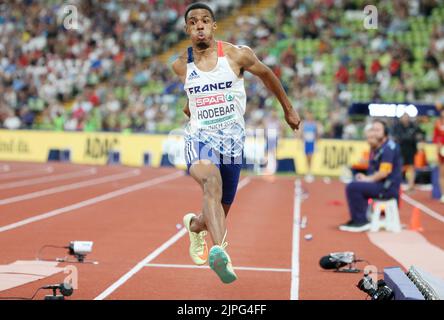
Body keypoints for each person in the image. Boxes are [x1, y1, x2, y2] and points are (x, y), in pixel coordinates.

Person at [171, 2, 301, 283]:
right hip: (199, 139)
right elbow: (193, 96)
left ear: (214, 26)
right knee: (211, 184)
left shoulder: (237, 55)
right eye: (193, 22)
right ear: (187, 29)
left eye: (205, 21)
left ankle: (195, 227)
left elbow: (267, 75)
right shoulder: (181, 65)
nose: (199, 26)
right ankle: (220, 252)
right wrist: (191, 108)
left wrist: (288, 109)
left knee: (218, 208)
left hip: (232, 145)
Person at [339, 120, 403, 232]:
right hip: (382, 185)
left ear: (385, 133)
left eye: (377, 130)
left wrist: (367, 179)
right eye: (373, 130)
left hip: (388, 188)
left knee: (353, 187)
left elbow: (384, 173)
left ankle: (361, 221)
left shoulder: (388, 148)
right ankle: (358, 219)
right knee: (356, 183)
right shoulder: (378, 148)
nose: (374, 133)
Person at [393, 113, 424, 192]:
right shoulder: (397, 126)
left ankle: (411, 185)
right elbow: (396, 137)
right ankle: (397, 184)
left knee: (411, 168)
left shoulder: (413, 126)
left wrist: (418, 137)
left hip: (411, 150)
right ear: (401, 118)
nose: (405, 119)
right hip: (401, 150)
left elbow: (421, 134)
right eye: (404, 117)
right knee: (400, 167)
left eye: (407, 117)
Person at [302, 110, 319, 183]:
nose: (309, 117)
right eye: (308, 115)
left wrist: (317, 140)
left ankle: (310, 172)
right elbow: (302, 133)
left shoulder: (314, 124)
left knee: (310, 157)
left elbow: (316, 133)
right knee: (307, 158)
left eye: (310, 115)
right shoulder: (304, 124)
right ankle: (308, 172)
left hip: (312, 142)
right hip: (306, 142)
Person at [432, 108, 444, 203]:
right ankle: (443, 194)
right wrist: (438, 144)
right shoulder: (437, 124)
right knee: (442, 174)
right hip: (441, 153)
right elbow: (435, 137)